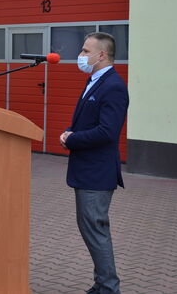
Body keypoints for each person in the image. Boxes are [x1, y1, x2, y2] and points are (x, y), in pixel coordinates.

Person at [59, 32, 129, 294]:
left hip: (97, 173)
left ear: (102, 54)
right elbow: (88, 122)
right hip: (87, 169)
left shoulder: (113, 86)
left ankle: (109, 288)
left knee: (95, 230)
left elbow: (107, 132)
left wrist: (74, 138)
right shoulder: (95, 81)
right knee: (91, 229)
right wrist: (70, 132)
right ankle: (103, 285)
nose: (81, 55)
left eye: (86, 51)